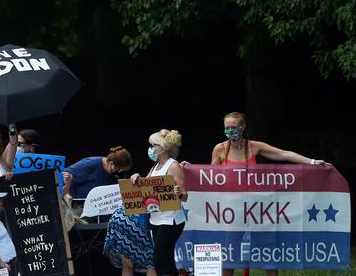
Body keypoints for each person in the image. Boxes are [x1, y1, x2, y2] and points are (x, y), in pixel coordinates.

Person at [212, 112, 330, 276]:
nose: (230, 131)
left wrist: (312, 162)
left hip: (257, 208)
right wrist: (189, 170)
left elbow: (284, 154)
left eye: (234, 127)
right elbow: (210, 177)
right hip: (231, 210)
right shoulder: (220, 149)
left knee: (267, 250)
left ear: (243, 127)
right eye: (227, 128)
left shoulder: (254, 146)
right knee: (230, 252)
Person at [131, 129, 187, 276]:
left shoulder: (173, 166)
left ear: (162, 148)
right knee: (166, 259)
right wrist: (137, 178)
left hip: (171, 220)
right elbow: (145, 186)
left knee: (160, 259)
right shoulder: (155, 166)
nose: (150, 149)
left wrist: (179, 193)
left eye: (153, 145)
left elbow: (185, 195)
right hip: (157, 219)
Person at [103, 146, 156, 276]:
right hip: (138, 221)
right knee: (151, 261)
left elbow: (144, 184)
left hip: (119, 219)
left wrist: (138, 177)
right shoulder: (163, 167)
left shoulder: (156, 167)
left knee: (127, 265)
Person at [62, 146, 132, 205]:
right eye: (119, 169)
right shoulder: (90, 164)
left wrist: (134, 179)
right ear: (111, 163)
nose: (120, 172)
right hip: (77, 206)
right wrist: (67, 193)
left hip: (100, 210)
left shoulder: (116, 173)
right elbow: (62, 176)